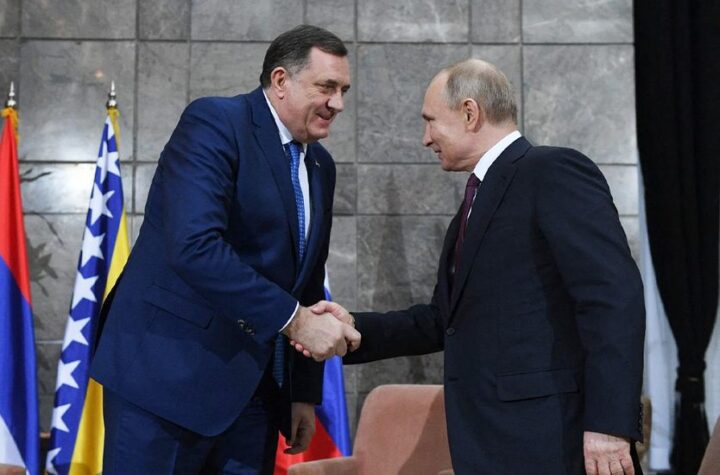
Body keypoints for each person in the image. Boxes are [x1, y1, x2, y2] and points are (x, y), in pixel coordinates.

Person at [309, 59, 645, 474]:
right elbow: (443, 320)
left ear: (470, 113)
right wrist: (354, 329)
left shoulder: (552, 171)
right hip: (490, 446)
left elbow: (613, 297)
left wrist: (609, 425)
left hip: (553, 443)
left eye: (430, 121)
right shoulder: (473, 205)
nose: (425, 138)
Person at [90, 25, 360, 474]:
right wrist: (295, 322)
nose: (338, 104)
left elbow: (307, 279)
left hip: (251, 397)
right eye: (326, 87)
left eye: (343, 90)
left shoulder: (319, 166)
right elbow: (194, 246)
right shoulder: (215, 123)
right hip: (163, 381)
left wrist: (301, 393)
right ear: (280, 80)